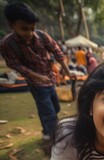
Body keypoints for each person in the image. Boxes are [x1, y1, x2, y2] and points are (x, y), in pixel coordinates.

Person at [0, 2, 73, 140]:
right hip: (36, 83)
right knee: (48, 111)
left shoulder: (42, 36)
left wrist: (66, 69)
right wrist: (38, 77)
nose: (29, 33)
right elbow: (16, 65)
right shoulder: (7, 44)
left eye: (32, 29)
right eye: (24, 29)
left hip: (50, 79)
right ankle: (54, 138)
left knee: (55, 108)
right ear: (11, 25)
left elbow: (56, 51)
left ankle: (47, 130)